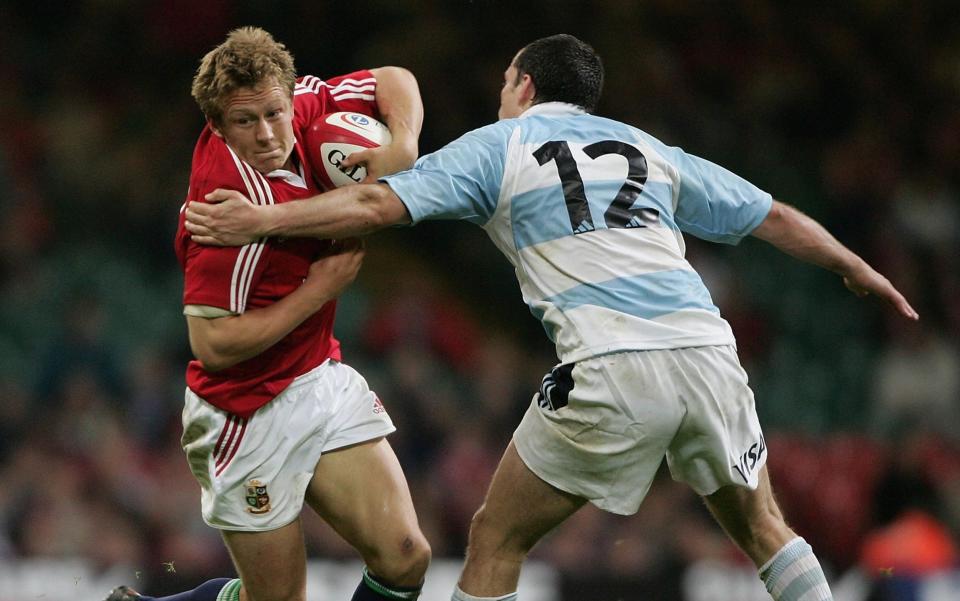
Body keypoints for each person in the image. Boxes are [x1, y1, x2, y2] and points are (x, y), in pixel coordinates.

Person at [184, 34, 920, 601]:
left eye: (506, 82)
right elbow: (776, 216)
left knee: (496, 538)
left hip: (611, 368)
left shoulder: (500, 147)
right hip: (707, 352)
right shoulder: (647, 149)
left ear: (523, 85)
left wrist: (261, 221)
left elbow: (380, 202)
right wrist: (853, 265)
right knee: (766, 529)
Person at [106, 27, 431, 601]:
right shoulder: (220, 215)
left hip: (315, 375)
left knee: (405, 558)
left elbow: (392, 79)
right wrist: (317, 290)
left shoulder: (300, 104)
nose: (266, 134)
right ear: (216, 125)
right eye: (244, 122)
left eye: (274, 114)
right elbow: (214, 345)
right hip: (244, 411)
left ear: (289, 95)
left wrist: (402, 145)